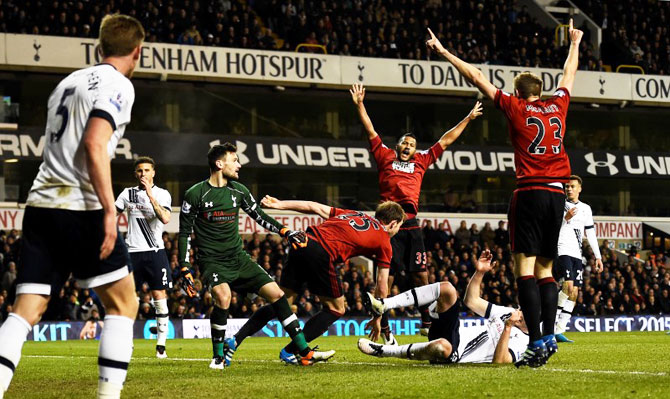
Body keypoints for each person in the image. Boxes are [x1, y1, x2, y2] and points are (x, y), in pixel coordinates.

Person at [0, 14, 144, 399]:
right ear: (138, 51)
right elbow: (95, 143)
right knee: (123, 304)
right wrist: (110, 210)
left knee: (25, 311)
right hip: (80, 207)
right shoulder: (119, 84)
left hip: (41, 203)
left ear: (99, 48)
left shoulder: (67, 82)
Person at [426, 18, 583, 367]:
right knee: (545, 270)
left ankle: (539, 339)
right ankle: (545, 337)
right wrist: (574, 43)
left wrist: (444, 52)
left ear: (519, 92)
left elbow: (476, 78)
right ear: (540, 91)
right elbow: (569, 75)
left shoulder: (515, 106)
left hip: (529, 190)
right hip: (558, 192)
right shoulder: (557, 104)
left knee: (523, 270)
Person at [350, 82, 482, 340]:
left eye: (412, 143)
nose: (409, 146)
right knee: (385, 281)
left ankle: (425, 321)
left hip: (411, 225)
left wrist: (467, 118)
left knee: (421, 275)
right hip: (388, 227)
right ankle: (382, 325)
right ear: (398, 146)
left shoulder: (422, 160)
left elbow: (446, 139)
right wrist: (360, 104)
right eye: (405, 143)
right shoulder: (385, 156)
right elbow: (370, 129)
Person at [177, 142, 313, 369]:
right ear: (219, 164)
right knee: (223, 298)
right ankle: (218, 356)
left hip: (239, 258)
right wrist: (184, 267)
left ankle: (304, 350)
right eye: (235, 160)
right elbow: (183, 234)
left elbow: (259, 216)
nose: (239, 165)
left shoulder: (239, 190)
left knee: (277, 294)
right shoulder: (195, 194)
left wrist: (285, 231)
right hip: (212, 261)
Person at [226, 197, 405, 365]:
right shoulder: (384, 241)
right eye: (399, 228)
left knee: (280, 302)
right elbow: (382, 285)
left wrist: (279, 204)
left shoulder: (354, 214)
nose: (397, 232)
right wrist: (377, 317)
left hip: (301, 242)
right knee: (336, 309)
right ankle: (293, 351)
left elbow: (314, 206)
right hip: (322, 253)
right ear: (393, 224)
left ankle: (235, 340)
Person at [358, 250, 529, 364]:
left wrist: (507, 327)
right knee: (447, 289)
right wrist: (480, 273)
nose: (521, 309)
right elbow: (471, 301)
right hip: (454, 329)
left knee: (441, 345)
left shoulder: (525, 342)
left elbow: (499, 362)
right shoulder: (509, 312)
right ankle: (384, 304)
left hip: (456, 353)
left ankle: (386, 350)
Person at [115, 156, 173, 358]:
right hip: (132, 253)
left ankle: (161, 346)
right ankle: (127, 344)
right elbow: (110, 215)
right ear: (135, 174)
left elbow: (165, 218)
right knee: (130, 299)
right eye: (140, 171)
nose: (143, 174)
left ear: (153, 173)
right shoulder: (127, 194)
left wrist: (149, 194)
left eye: (147, 170)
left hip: (155, 251)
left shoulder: (162, 194)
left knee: (159, 296)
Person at [554, 175, 603, 342]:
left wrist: (598, 256)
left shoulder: (585, 209)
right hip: (562, 250)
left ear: (579, 189)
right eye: (567, 186)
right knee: (567, 287)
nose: (569, 189)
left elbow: (590, 233)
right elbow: (550, 228)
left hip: (577, 253)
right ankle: (551, 326)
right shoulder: (560, 205)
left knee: (574, 293)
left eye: (572, 186)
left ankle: (559, 330)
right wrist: (564, 219)